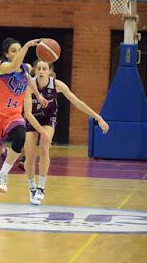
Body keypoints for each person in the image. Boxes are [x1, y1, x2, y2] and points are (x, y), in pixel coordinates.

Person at [0, 37, 51, 209]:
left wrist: (38, 95)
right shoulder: (1, 67)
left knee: (20, 138)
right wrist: (27, 46)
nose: (18, 53)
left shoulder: (26, 68)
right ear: (6, 54)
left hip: (12, 114)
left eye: (19, 49)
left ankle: (2, 174)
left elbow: (28, 81)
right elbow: (13, 66)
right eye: (14, 50)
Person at [23, 60, 109, 205]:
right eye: (39, 68)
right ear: (35, 71)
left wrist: (98, 117)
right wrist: (40, 131)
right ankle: (31, 186)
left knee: (44, 146)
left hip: (49, 119)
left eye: (45, 68)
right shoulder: (29, 86)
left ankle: (41, 188)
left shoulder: (57, 85)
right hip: (33, 118)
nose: (42, 71)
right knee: (29, 154)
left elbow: (78, 102)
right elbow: (27, 114)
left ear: (49, 71)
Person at [0, 59, 48, 170]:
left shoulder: (18, 76)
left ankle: (3, 157)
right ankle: (3, 151)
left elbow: (27, 81)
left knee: (20, 135)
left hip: (15, 110)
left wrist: (38, 96)